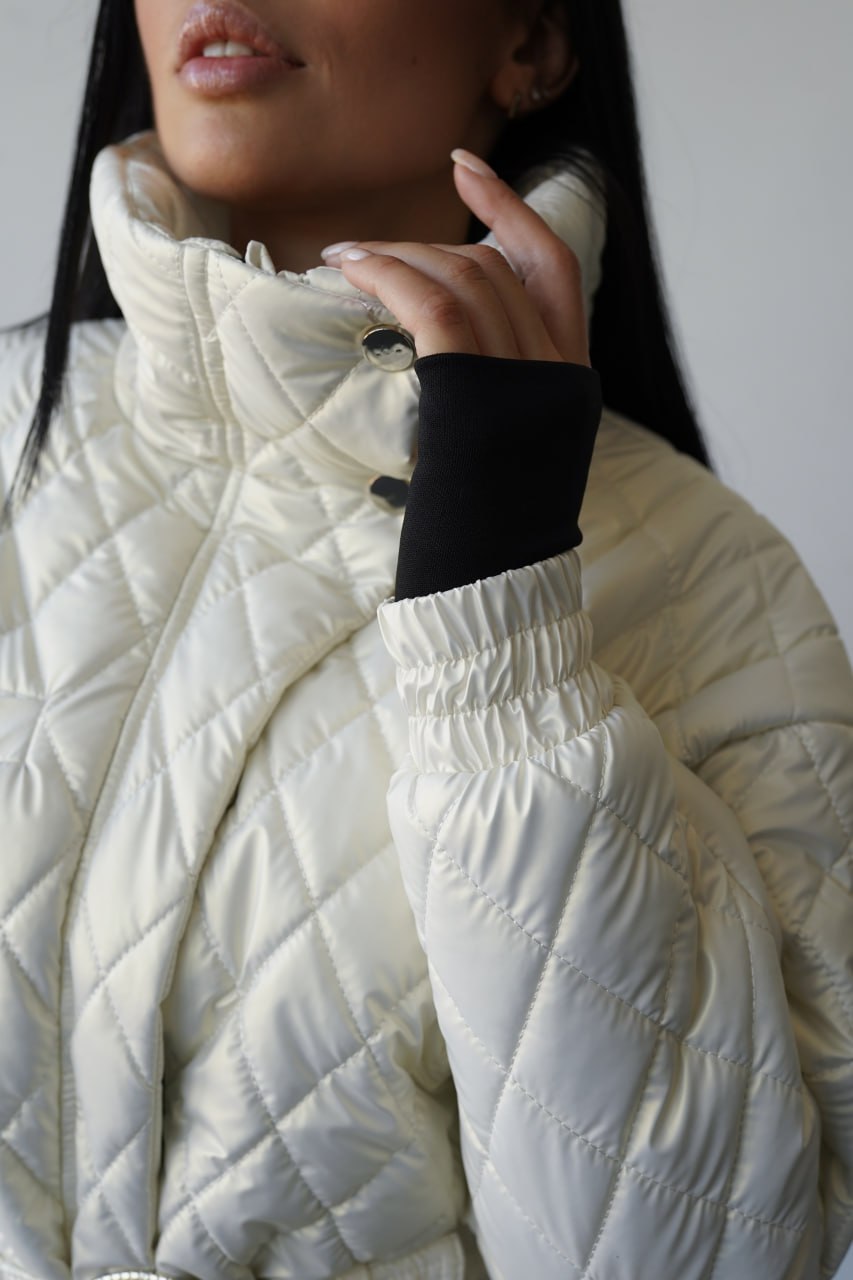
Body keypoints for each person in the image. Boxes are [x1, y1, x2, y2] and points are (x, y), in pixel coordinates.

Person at [1, 0, 851, 1276]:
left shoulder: (710, 580)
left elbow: (705, 1255)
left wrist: (504, 617)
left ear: (531, 47)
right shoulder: (14, 437)